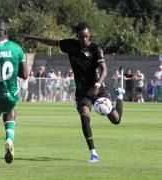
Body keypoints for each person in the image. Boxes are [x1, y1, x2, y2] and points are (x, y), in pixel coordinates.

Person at [24, 22, 125, 163]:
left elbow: (104, 70)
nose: (85, 40)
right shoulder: (70, 45)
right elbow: (51, 42)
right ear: (77, 36)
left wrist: (97, 85)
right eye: (82, 37)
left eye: (87, 37)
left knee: (116, 120)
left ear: (90, 36)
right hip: (82, 91)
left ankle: (120, 96)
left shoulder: (96, 49)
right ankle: (93, 153)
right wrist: (33, 38)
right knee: (84, 116)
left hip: (98, 88)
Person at [0, 20, 28, 167]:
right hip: (11, 94)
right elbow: (25, 74)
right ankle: (9, 138)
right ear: (6, 32)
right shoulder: (16, 48)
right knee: (10, 111)